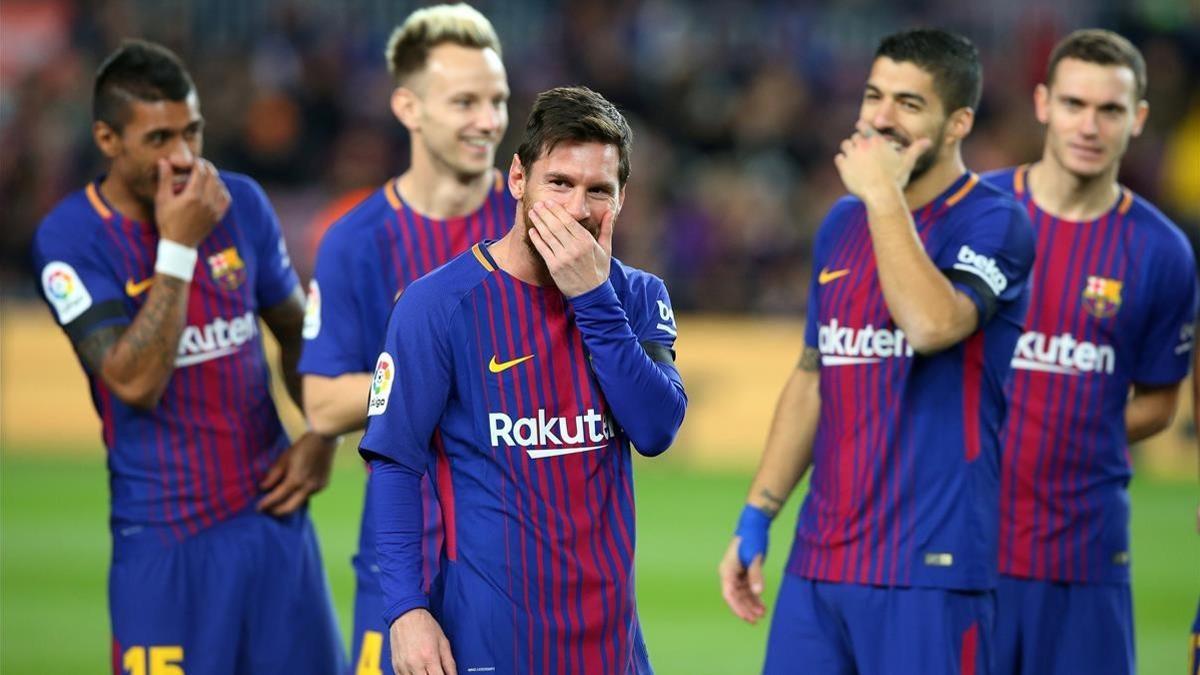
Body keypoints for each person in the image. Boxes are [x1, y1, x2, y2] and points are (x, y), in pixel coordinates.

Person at [717, 28, 1035, 674]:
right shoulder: (841, 223)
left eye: (910, 104)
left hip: (931, 569)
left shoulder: (995, 223)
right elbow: (813, 375)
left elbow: (930, 323)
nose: (881, 118)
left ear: (958, 124)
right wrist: (757, 514)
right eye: (873, 96)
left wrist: (884, 194)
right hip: (819, 565)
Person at [30, 40, 344, 674]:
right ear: (107, 138)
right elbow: (135, 381)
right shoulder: (70, 239)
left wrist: (323, 429)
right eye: (158, 139)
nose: (181, 157)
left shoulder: (241, 203)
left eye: (192, 132)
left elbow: (294, 329)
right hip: (164, 542)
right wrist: (178, 248)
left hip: (273, 527)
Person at [359, 85, 687, 675]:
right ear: (517, 179)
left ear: (620, 201)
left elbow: (657, 427)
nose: (576, 208)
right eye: (558, 183)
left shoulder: (638, 297)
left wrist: (593, 297)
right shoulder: (437, 306)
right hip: (487, 640)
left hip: (610, 648)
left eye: (598, 191)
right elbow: (395, 462)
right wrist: (405, 610)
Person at [296, 4, 513, 672]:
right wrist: (446, 374)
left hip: (520, 568)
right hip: (400, 569)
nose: (489, 120)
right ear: (409, 107)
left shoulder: (539, 222)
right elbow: (324, 403)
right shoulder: (355, 239)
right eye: (465, 101)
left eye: (499, 100)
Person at [981, 29, 1198, 675]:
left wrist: (1082, 429)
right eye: (1075, 104)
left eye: (1109, 109)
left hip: (1086, 555)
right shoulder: (975, 214)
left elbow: (1161, 401)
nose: (1090, 124)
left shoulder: (1162, 253)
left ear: (1138, 119)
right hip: (965, 550)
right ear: (1043, 103)